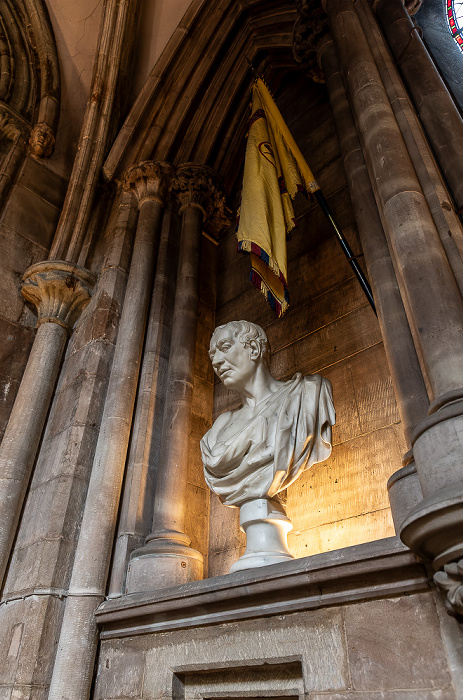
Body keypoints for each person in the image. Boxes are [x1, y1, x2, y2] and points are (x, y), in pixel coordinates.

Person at [201, 320, 335, 508]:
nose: (216, 362)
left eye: (225, 347)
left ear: (254, 349)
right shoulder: (220, 426)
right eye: (212, 356)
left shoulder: (307, 395)